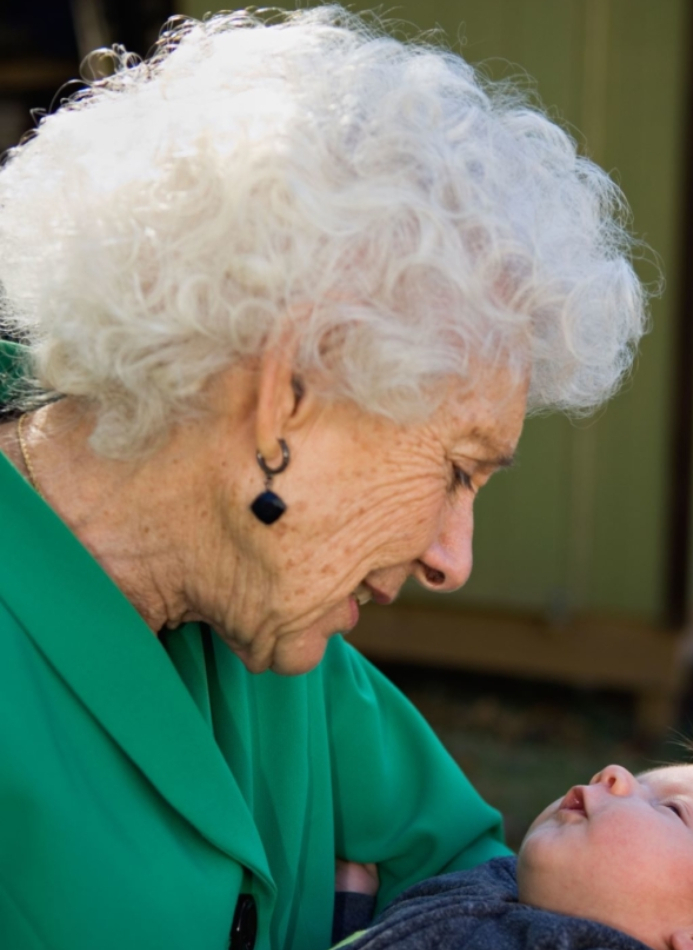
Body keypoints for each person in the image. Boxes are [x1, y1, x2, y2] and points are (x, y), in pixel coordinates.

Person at [0, 7, 646, 950]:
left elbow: (501, 894)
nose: (451, 559)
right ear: (284, 399)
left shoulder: (282, 641)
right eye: (458, 471)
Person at [332, 742, 693, 950]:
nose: (612, 773)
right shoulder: (491, 880)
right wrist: (347, 917)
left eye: (671, 810)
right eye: (637, 780)